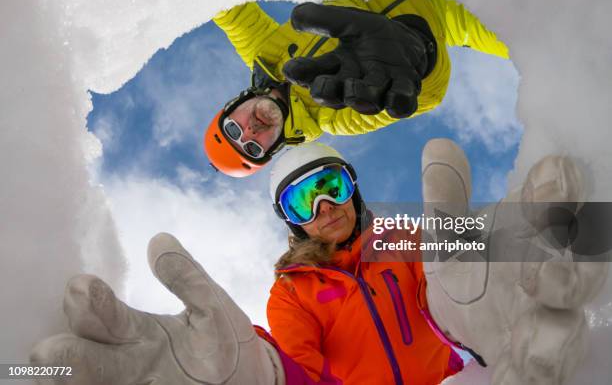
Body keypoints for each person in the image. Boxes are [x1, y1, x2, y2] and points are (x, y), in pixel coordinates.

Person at [30, 141, 606, 384]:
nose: (324, 207)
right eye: (303, 200)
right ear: (293, 222)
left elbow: (461, 253)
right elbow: (296, 367)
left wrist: (499, 245)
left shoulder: (408, 237)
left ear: (352, 189)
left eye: (330, 185)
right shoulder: (294, 292)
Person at [204, 0, 510, 177]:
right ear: (273, 148)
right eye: (254, 148)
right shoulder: (335, 116)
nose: (251, 131)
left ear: (233, 105)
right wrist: (418, 55)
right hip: (450, 10)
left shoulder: (265, 55)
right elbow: (422, 97)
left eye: (233, 129)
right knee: (538, 33)